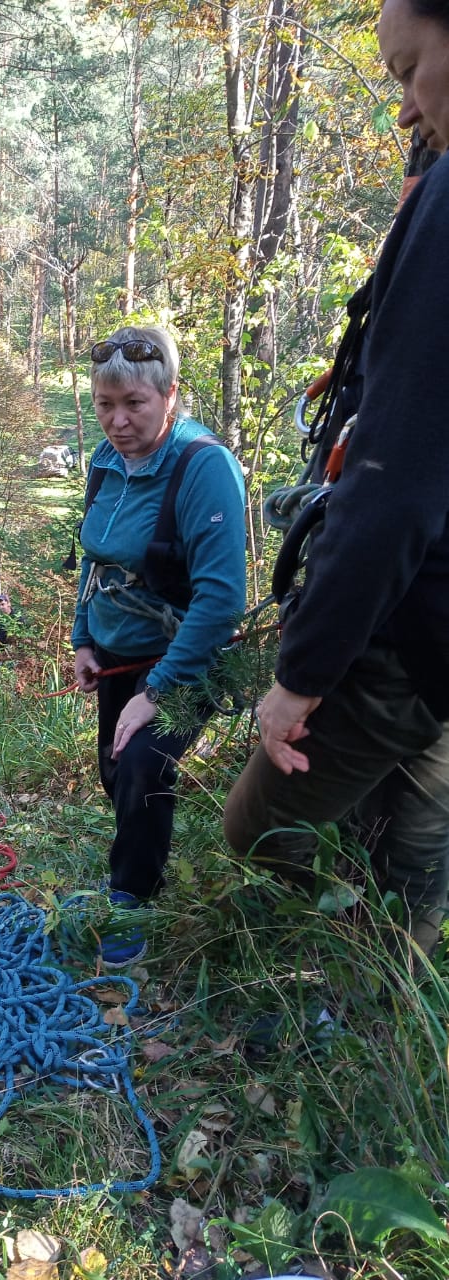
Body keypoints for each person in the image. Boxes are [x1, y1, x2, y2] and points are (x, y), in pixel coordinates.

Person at [224, 0, 449, 957]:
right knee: (418, 821)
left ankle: (354, 963)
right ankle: (399, 987)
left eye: (409, 71)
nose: (403, 107)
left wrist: (301, 676)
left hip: (407, 625)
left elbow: (395, 486)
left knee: (256, 825)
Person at [72, 325, 246, 964]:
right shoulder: (105, 462)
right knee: (116, 772)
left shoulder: (204, 468)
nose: (118, 421)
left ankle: (130, 900)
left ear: (171, 395)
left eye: (134, 404)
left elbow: (222, 599)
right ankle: (137, 872)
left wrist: (158, 692)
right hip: (118, 651)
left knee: (144, 765)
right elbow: (95, 560)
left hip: (183, 659)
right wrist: (83, 638)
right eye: (105, 405)